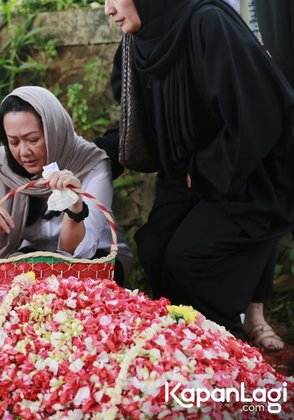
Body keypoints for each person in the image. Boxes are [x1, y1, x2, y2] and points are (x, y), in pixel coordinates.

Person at [104, 0, 294, 346]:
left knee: (189, 260)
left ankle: (225, 353)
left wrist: (205, 170)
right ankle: (187, 349)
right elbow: (139, 122)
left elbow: (259, 113)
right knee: (155, 247)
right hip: (187, 173)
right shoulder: (140, 40)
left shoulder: (207, 23)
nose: (108, 9)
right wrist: (89, 157)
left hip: (245, 172)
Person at [0, 86, 132, 284]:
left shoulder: (90, 164)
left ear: (54, 131)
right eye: (14, 142)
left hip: (92, 261)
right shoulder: (4, 169)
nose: (24, 152)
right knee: (13, 283)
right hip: (34, 260)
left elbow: (75, 252)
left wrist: (74, 209)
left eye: (33, 139)